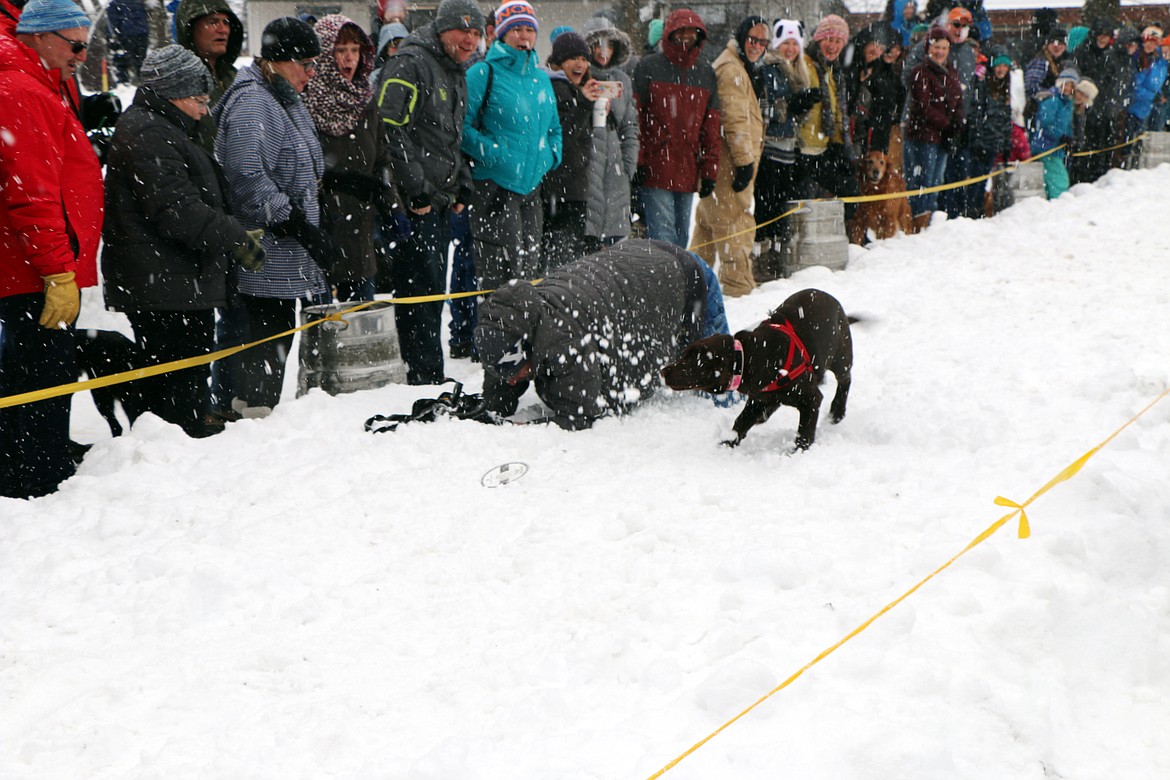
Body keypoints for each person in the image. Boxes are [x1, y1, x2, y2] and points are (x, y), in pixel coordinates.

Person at [101, 45, 264, 437]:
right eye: (199, 99)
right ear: (172, 93)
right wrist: (234, 237)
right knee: (176, 379)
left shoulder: (164, 128)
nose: (204, 109)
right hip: (165, 284)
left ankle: (184, 428)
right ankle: (180, 438)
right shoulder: (150, 133)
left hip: (174, 279)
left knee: (183, 373)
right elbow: (178, 211)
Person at [0, 0, 104, 498]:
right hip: (31, 272)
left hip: (30, 267)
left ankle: (34, 466)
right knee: (40, 378)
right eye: (76, 44)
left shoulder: (36, 83)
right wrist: (57, 271)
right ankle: (38, 479)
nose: (82, 56)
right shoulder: (22, 90)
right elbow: (32, 194)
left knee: (36, 376)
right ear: (40, 37)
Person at [213, 17, 335, 413]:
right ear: (280, 61)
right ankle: (248, 421)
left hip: (286, 255)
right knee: (264, 348)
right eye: (308, 64)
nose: (313, 74)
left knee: (276, 345)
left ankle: (261, 416)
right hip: (262, 255)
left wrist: (346, 185)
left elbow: (301, 162)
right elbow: (246, 176)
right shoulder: (254, 101)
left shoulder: (282, 96)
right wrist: (295, 223)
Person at [474, 239, 726, 430]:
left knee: (719, 382)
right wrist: (494, 410)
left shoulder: (560, 337)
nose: (509, 381)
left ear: (527, 347)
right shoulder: (509, 323)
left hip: (688, 279)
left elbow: (580, 414)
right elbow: (501, 380)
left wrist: (523, 428)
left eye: (513, 373)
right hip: (644, 259)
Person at [377, 0, 483, 384]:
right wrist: (416, 189)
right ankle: (421, 374)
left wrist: (461, 183)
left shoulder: (455, 70)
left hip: (440, 199)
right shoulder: (411, 62)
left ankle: (428, 370)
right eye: (463, 31)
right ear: (442, 30)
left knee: (433, 287)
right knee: (419, 287)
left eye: (476, 33)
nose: (470, 39)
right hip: (413, 204)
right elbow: (390, 128)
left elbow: (447, 138)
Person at [462, 1, 561, 288]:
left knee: (529, 273)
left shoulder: (541, 78)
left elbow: (554, 128)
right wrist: (494, 154)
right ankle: (497, 331)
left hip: (532, 189)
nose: (524, 36)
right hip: (493, 189)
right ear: (501, 34)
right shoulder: (482, 74)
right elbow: (461, 127)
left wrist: (550, 156)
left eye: (529, 29)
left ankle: (525, 331)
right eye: (516, 29)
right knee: (499, 278)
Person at [304, 14, 395, 303]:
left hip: (361, 229)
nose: (349, 58)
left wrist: (393, 205)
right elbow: (300, 166)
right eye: (340, 49)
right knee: (324, 332)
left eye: (355, 50)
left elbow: (382, 158)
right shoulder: (305, 99)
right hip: (322, 229)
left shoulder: (365, 98)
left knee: (361, 328)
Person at [632, 8, 721, 249]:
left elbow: (711, 125)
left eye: (691, 31)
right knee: (663, 235)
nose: (685, 36)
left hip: (688, 166)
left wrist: (710, 170)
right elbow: (636, 117)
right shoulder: (648, 67)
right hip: (656, 164)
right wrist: (638, 161)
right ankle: (665, 283)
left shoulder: (705, 73)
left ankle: (675, 283)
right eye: (680, 31)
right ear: (669, 33)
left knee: (681, 239)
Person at [692, 15, 767, 298]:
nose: (757, 46)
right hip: (730, 166)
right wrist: (745, 162)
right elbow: (733, 120)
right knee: (734, 228)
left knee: (708, 231)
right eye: (753, 39)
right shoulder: (731, 69)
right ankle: (739, 291)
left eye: (763, 42)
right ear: (741, 37)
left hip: (723, 165)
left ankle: (692, 286)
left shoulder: (737, 66)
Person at [755, 19, 821, 283]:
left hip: (790, 150)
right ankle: (762, 260)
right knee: (766, 206)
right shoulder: (769, 69)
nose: (791, 48)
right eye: (786, 43)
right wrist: (792, 105)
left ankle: (778, 259)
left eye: (795, 43)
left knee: (783, 207)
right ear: (777, 45)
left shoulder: (799, 70)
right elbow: (765, 108)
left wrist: (802, 106)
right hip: (771, 149)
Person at [542, 31, 603, 268]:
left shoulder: (573, 89)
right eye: (573, 58)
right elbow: (562, 137)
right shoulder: (556, 87)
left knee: (565, 259)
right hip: (560, 189)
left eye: (584, 59)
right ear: (558, 62)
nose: (580, 64)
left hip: (571, 188)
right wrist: (584, 105)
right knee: (561, 262)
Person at [579, 13, 640, 246]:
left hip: (616, 171)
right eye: (597, 45)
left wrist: (628, 164)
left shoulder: (622, 80)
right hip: (587, 162)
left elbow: (630, 124)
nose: (603, 51)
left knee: (616, 241)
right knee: (587, 236)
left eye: (609, 45)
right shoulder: (578, 78)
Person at [903, 26, 963, 229]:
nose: (940, 51)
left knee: (936, 182)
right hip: (923, 136)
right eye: (937, 47)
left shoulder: (952, 72)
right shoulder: (920, 72)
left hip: (943, 137)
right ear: (929, 47)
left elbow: (958, 100)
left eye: (944, 48)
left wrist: (957, 124)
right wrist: (947, 125)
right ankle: (916, 222)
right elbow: (923, 107)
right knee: (922, 182)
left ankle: (929, 224)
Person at [800, 14, 859, 214]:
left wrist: (840, 146)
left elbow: (836, 114)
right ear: (818, 40)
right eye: (828, 39)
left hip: (822, 147)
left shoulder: (832, 71)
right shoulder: (806, 64)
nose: (832, 46)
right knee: (802, 207)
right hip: (803, 149)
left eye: (837, 41)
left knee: (849, 191)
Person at [1073, 18, 1129, 183]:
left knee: (1104, 145)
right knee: (1085, 145)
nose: (1103, 38)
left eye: (1106, 35)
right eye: (1101, 34)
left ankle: (1100, 176)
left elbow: (1116, 80)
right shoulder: (1083, 52)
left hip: (1106, 108)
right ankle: (1083, 178)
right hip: (1086, 105)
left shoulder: (1112, 55)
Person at [174, 0, 243, 106]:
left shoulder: (237, 79)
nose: (223, 30)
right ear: (190, 30)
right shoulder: (176, 84)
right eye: (213, 22)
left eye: (226, 23)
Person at [105, 0, 150, 85]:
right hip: (142, 33)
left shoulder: (115, 3)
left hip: (126, 34)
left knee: (122, 59)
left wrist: (112, 36)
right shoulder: (138, 2)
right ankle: (145, 83)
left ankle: (123, 82)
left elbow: (112, 21)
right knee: (141, 61)